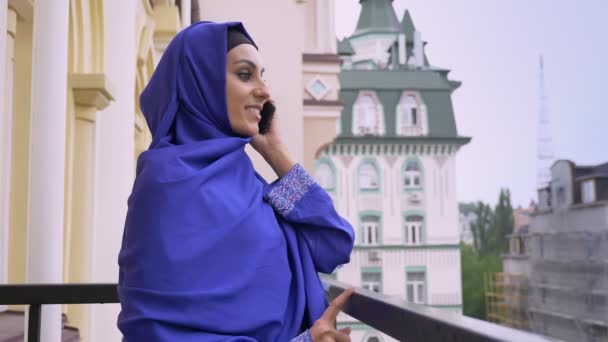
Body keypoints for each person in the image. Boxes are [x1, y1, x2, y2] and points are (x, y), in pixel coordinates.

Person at [117, 21, 355, 341]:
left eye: (262, 74)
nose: (265, 90)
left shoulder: (250, 182)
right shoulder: (165, 185)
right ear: (201, 85)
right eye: (245, 74)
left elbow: (334, 243)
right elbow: (158, 331)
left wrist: (276, 153)